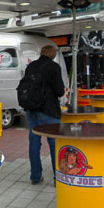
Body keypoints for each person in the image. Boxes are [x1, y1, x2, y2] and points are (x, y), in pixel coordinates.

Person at [25, 45, 65, 184]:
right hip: (49, 111)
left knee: (34, 143)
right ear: (53, 54)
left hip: (32, 110)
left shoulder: (31, 66)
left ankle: (35, 176)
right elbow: (60, 91)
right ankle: (57, 178)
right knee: (54, 144)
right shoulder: (54, 67)